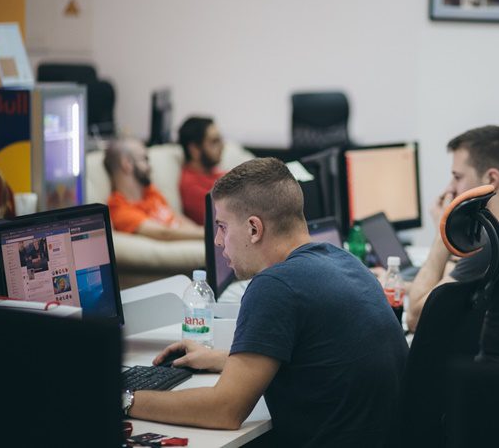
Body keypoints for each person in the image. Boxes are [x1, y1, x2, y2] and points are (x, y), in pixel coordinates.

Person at [124, 158, 408, 447]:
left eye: (222, 227)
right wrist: (221, 359)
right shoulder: (346, 261)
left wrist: (125, 399)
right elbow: (310, 360)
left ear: (254, 229)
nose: (218, 241)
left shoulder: (276, 286)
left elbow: (224, 410)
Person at [407, 125, 499, 364]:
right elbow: (462, 281)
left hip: (491, 380)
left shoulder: (498, 241)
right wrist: (405, 286)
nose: (450, 189)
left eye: (457, 177)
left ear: (492, 179)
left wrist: (442, 234)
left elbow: (416, 317)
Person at [104, 138, 204, 240]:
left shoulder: (150, 191)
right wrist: (207, 234)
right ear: (127, 164)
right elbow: (164, 233)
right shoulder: (119, 209)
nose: (150, 167)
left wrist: (202, 231)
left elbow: (176, 218)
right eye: (144, 159)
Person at [178, 116, 225, 225]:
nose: (222, 146)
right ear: (194, 149)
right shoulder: (191, 186)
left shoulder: (217, 173)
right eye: (214, 141)